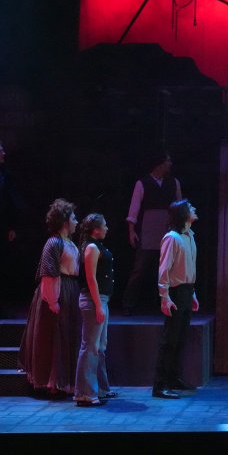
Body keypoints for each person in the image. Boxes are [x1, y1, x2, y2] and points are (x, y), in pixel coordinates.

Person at [18, 199, 81, 398]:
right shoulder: (54, 242)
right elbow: (48, 273)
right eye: (73, 218)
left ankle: (64, 382)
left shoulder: (70, 242)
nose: (76, 221)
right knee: (54, 337)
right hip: (56, 290)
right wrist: (52, 301)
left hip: (69, 289)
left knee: (65, 336)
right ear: (64, 221)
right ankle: (52, 383)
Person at [123, 151, 182, 315]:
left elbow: (180, 208)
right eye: (167, 161)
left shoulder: (173, 183)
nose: (170, 164)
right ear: (160, 163)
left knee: (169, 270)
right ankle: (129, 304)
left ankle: (170, 303)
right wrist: (131, 231)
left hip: (168, 231)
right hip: (149, 231)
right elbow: (133, 210)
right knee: (140, 270)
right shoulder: (142, 183)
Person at [152, 199, 199, 399]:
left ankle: (174, 378)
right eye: (190, 207)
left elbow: (188, 268)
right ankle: (160, 385)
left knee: (180, 339)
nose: (194, 209)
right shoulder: (171, 238)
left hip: (186, 291)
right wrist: (165, 297)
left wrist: (193, 294)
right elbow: (164, 271)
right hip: (176, 293)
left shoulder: (189, 236)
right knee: (169, 340)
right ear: (182, 214)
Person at [73, 213, 117, 407]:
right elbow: (91, 278)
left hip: (101, 300)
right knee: (90, 346)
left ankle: (100, 388)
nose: (107, 228)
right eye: (104, 225)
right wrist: (98, 304)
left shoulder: (97, 246)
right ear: (95, 230)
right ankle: (84, 393)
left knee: (99, 346)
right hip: (93, 300)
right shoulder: (91, 247)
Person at [0, 140, 25, 316]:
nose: (4, 154)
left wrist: (12, 226)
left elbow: (13, 202)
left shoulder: (5, 175)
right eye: (0, 150)